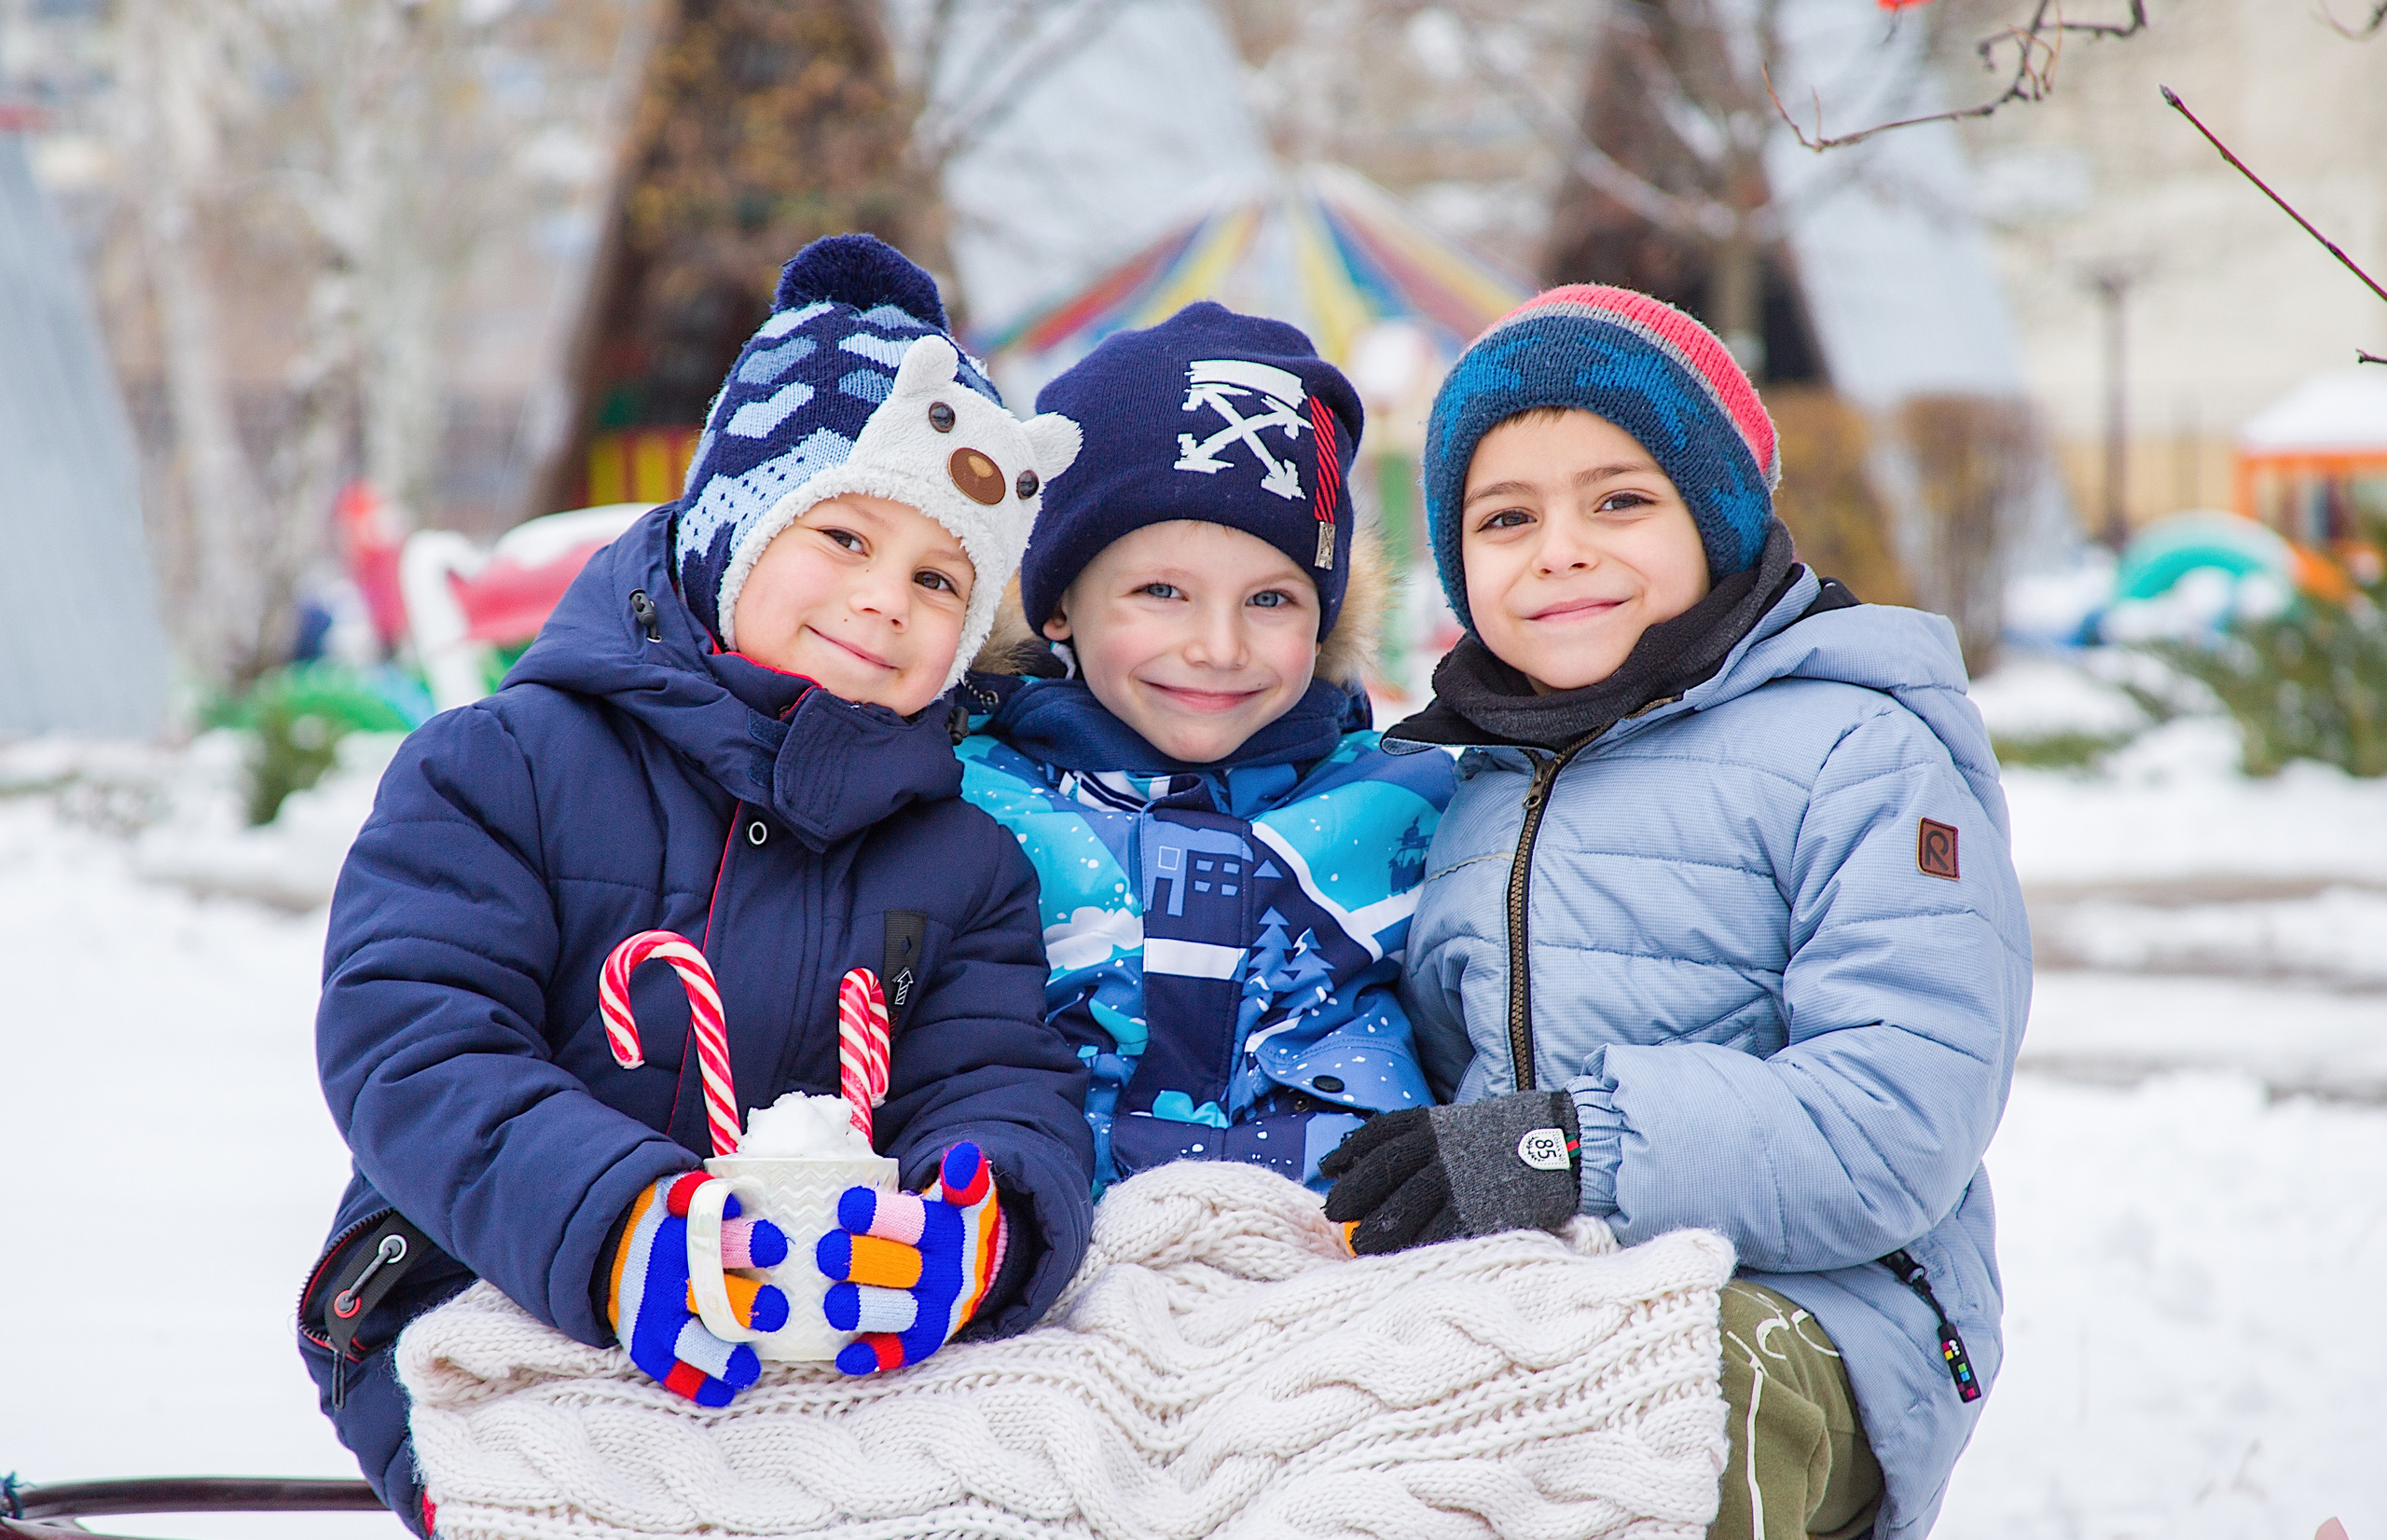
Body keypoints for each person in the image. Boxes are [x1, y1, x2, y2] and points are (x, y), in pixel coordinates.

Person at [296, 236, 1097, 1536]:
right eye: (843, 534)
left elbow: (993, 1075)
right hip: (471, 1272)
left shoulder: (962, 866)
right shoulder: (504, 764)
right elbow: (417, 1042)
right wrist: (623, 1225)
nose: (884, 599)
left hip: (811, 1323)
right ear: (731, 519)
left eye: (939, 577)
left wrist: (979, 1218)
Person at [1319, 285, 2030, 1540]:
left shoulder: (1858, 752)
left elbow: (1898, 1113)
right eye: (1505, 517)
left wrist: (1561, 1147)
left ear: (1717, 514)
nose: (1561, 548)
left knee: (1638, 1449)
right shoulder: (1472, 792)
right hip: (1538, 1295)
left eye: (1620, 499)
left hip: (1812, 1314)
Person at [954, 304, 1454, 1194]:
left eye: (1270, 600)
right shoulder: (971, 807)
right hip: (1053, 1267)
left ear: (1327, 616)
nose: (1219, 647)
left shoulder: (1410, 812)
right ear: (1059, 602)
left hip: (1343, 1273)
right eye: (1162, 590)